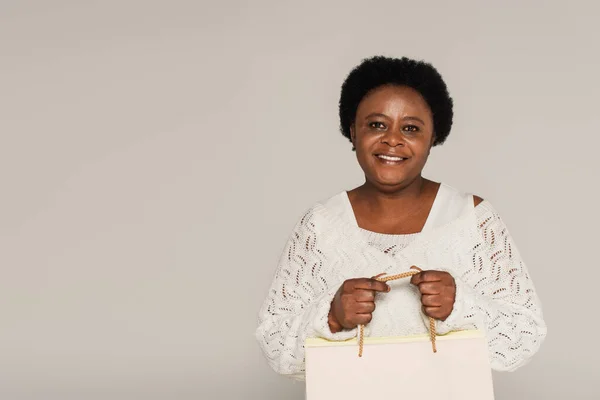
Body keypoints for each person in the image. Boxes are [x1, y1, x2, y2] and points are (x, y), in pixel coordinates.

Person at [255, 55, 547, 379]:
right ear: (353, 131)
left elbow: (526, 334)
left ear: (434, 135)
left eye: (410, 128)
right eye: (377, 124)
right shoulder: (320, 226)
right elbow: (274, 343)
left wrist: (460, 305)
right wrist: (332, 316)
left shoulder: (471, 220)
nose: (392, 139)